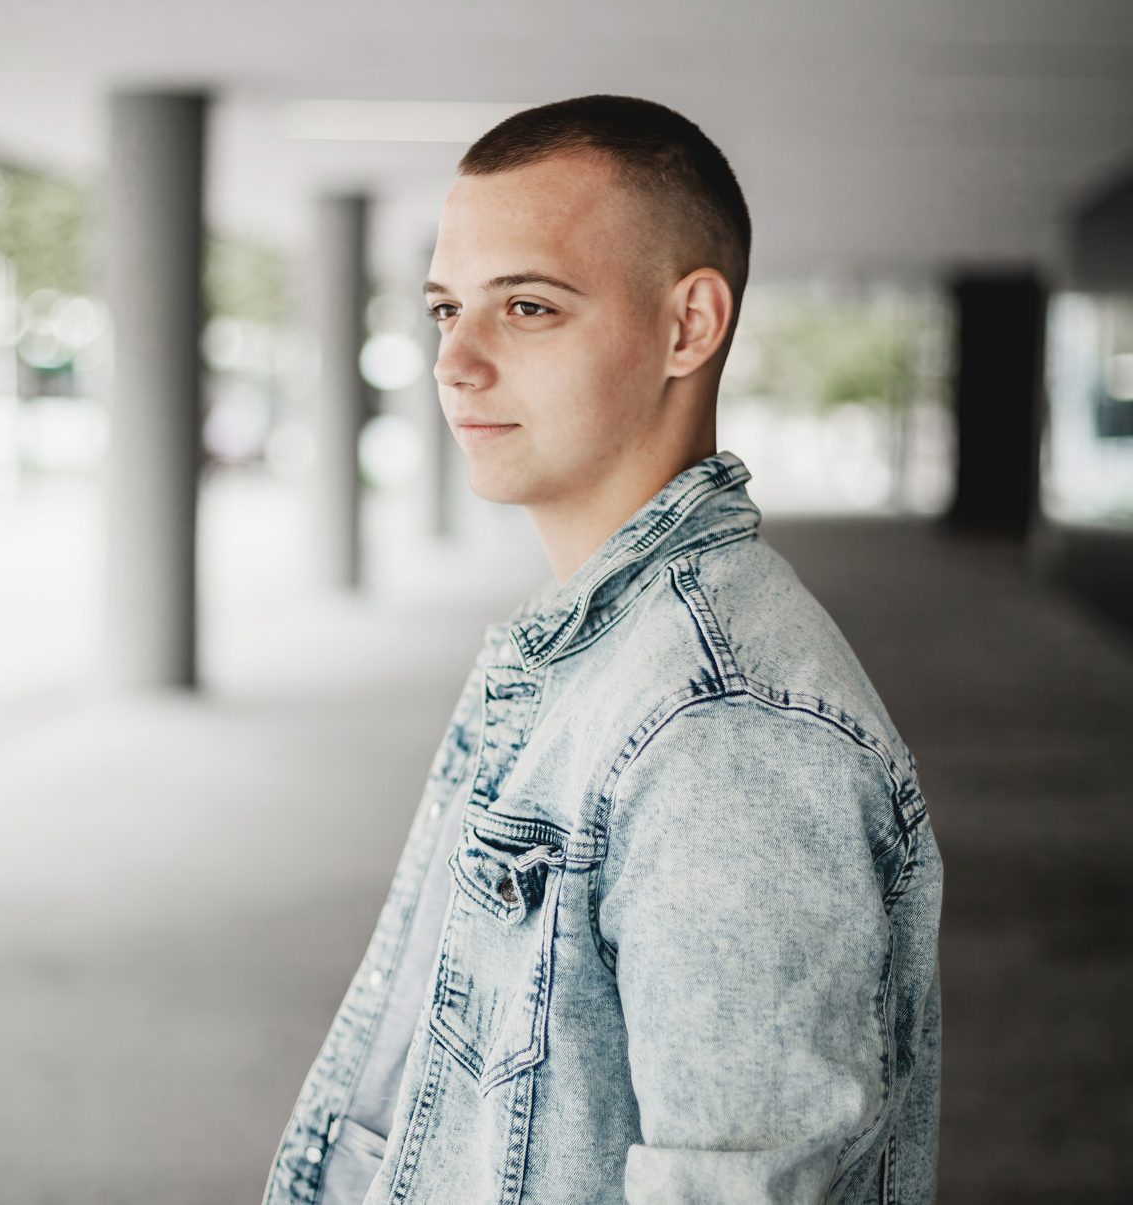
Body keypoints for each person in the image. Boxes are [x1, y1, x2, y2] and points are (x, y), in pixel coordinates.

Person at [263, 96, 942, 1205]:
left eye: (527, 306)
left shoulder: (724, 725)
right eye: (446, 310)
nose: (454, 362)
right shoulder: (592, 647)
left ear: (689, 325)